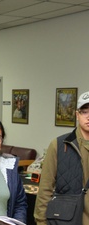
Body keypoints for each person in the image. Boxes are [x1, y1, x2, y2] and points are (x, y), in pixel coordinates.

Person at [34, 91, 89, 225]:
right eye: (84, 112)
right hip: (68, 219)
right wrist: (41, 221)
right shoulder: (59, 145)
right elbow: (45, 189)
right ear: (77, 115)